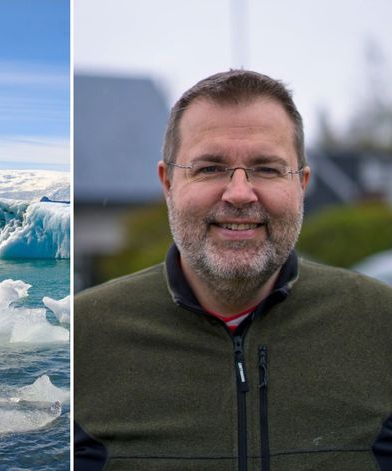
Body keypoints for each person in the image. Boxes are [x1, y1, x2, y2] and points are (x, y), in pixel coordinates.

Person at [74, 70, 392, 471]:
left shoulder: (382, 323)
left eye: (267, 168)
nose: (240, 193)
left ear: (302, 185)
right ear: (168, 183)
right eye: (209, 168)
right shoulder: (84, 336)